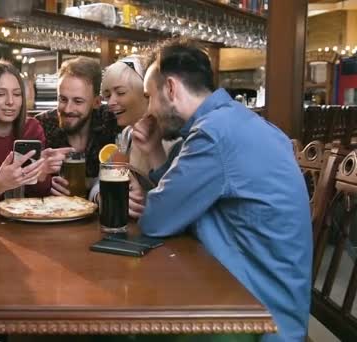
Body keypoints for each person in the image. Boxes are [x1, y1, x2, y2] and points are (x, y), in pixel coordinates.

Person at [137, 38, 312, 341]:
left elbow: (156, 220)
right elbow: (173, 190)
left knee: (132, 328)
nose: (149, 109)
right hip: (268, 299)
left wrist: (149, 203)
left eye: (148, 96)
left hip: (261, 317)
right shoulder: (233, 122)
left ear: (170, 89)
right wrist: (153, 149)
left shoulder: (213, 135)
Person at [0, 60, 71, 209]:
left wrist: (41, 175)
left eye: (17, 94)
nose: (10, 102)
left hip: (24, 220)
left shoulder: (31, 128)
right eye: (0, 94)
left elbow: (39, 195)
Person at [94, 55, 182, 218]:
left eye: (120, 92)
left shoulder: (176, 140)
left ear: (145, 93)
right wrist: (103, 197)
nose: (111, 102)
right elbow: (100, 183)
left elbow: (181, 201)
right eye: (107, 95)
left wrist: (142, 201)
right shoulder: (127, 135)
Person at [35, 56, 120, 197]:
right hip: (55, 212)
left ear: (96, 102)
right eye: (62, 99)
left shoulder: (111, 121)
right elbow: (25, 183)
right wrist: (42, 182)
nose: (68, 109)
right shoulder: (41, 125)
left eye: (78, 101)